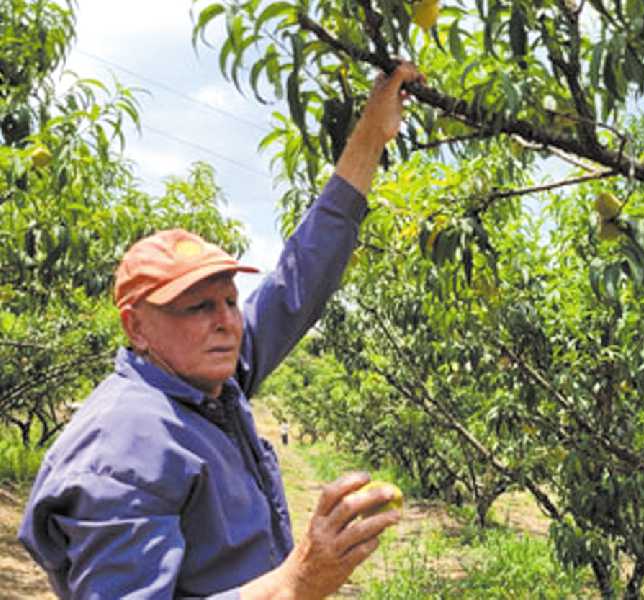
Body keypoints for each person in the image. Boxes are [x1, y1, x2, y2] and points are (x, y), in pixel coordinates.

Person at [18, 61, 423, 599]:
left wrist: (371, 135)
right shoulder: (124, 452)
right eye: (196, 307)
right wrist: (301, 579)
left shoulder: (206, 381)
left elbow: (299, 279)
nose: (227, 320)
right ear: (136, 327)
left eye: (230, 301)